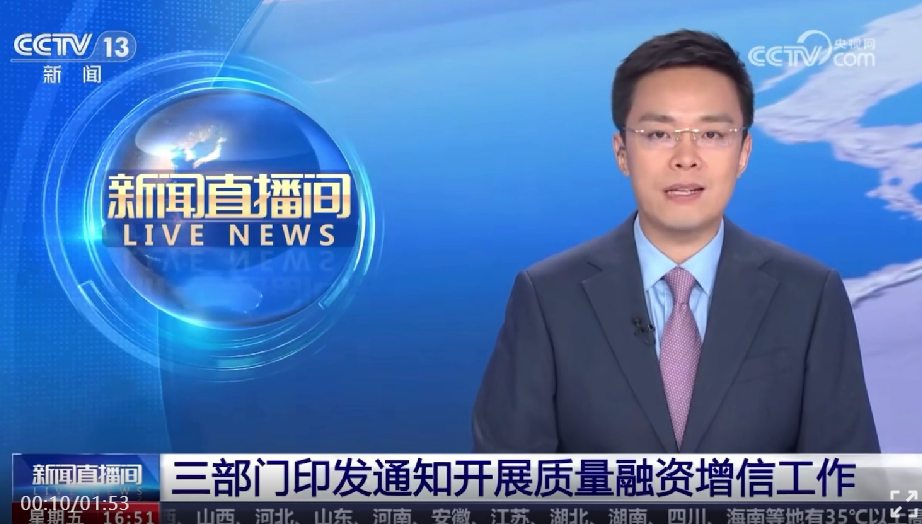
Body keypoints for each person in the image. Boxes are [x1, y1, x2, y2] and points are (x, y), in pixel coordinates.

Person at [471, 29, 880, 453]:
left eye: (712, 134)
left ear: (743, 152)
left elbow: (850, 480)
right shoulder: (548, 299)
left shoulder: (810, 297)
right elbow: (505, 479)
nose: (686, 158)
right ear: (622, 152)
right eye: (659, 134)